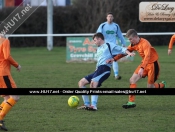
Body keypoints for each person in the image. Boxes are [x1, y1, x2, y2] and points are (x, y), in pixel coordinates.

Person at [77, 32, 135, 111]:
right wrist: (97, 67)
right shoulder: (99, 49)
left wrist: (129, 53)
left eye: (95, 40)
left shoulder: (109, 45)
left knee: (93, 83)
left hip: (105, 69)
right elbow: (100, 60)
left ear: (99, 39)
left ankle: (93, 106)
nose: (94, 42)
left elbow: (122, 49)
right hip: (99, 69)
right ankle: (86, 104)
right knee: (81, 82)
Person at [110, 29, 167, 109]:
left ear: (136, 37)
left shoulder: (145, 43)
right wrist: (114, 59)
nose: (130, 41)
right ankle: (131, 102)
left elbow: (147, 57)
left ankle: (162, 85)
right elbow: (125, 52)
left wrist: (142, 68)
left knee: (150, 88)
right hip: (144, 64)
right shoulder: (133, 44)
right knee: (132, 80)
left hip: (153, 65)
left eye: (130, 39)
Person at [0, 22, 21, 131]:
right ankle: (0, 118)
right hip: (3, 73)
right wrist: (17, 65)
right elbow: (7, 56)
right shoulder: (5, 41)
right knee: (16, 97)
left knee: (7, 98)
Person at [96, 12, 126, 80]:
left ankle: (116, 75)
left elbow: (120, 35)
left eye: (111, 16)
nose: (110, 18)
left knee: (114, 59)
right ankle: (99, 72)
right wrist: (98, 43)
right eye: (109, 16)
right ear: (106, 18)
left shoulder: (116, 26)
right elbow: (98, 34)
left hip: (113, 46)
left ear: (113, 18)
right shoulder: (102, 25)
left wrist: (123, 43)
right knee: (103, 60)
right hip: (105, 46)